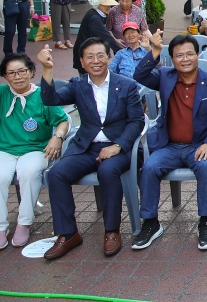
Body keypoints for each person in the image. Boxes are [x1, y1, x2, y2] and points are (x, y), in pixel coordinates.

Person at [38, 38, 144, 259]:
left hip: (118, 147)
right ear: (82, 61)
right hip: (86, 147)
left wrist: (118, 146)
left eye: (100, 56)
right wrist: (47, 69)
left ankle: (112, 231)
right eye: (90, 57)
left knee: (108, 171)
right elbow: (51, 99)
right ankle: (68, 234)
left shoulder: (127, 84)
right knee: (56, 173)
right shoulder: (78, 85)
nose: (95, 61)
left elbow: (137, 121)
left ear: (109, 57)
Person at [131, 33, 207, 251]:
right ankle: (151, 222)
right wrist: (155, 51)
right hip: (170, 145)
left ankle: (205, 222)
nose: (185, 59)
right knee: (149, 167)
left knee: (206, 168)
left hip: (198, 145)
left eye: (189, 54)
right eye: (178, 56)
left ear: (197, 55)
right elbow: (140, 74)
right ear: (172, 59)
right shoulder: (165, 77)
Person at [0, 53, 68, 250]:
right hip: (4, 149)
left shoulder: (42, 95)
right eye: (11, 73)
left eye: (22, 71)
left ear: (31, 72)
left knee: (29, 173)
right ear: (5, 76)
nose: (17, 76)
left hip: (34, 149)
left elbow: (62, 121)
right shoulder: (2, 92)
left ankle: (24, 223)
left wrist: (57, 138)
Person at [73, 0, 122, 74]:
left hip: (90, 53)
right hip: (85, 55)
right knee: (87, 82)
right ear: (98, 3)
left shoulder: (99, 14)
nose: (109, 7)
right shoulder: (94, 18)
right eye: (106, 4)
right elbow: (107, 37)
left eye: (110, 4)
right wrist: (122, 53)